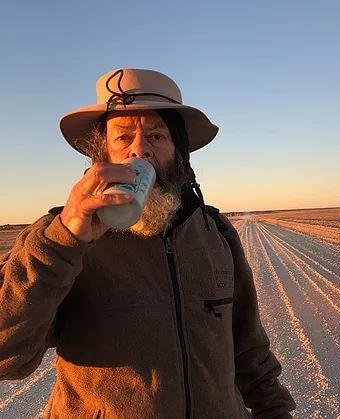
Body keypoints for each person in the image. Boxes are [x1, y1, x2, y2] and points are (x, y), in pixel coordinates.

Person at [0, 68, 296, 418]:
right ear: (102, 156)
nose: (140, 150)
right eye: (123, 138)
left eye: (157, 136)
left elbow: (249, 350)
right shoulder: (59, 236)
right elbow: (8, 357)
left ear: (179, 152)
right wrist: (65, 239)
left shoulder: (216, 233)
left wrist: (276, 411)